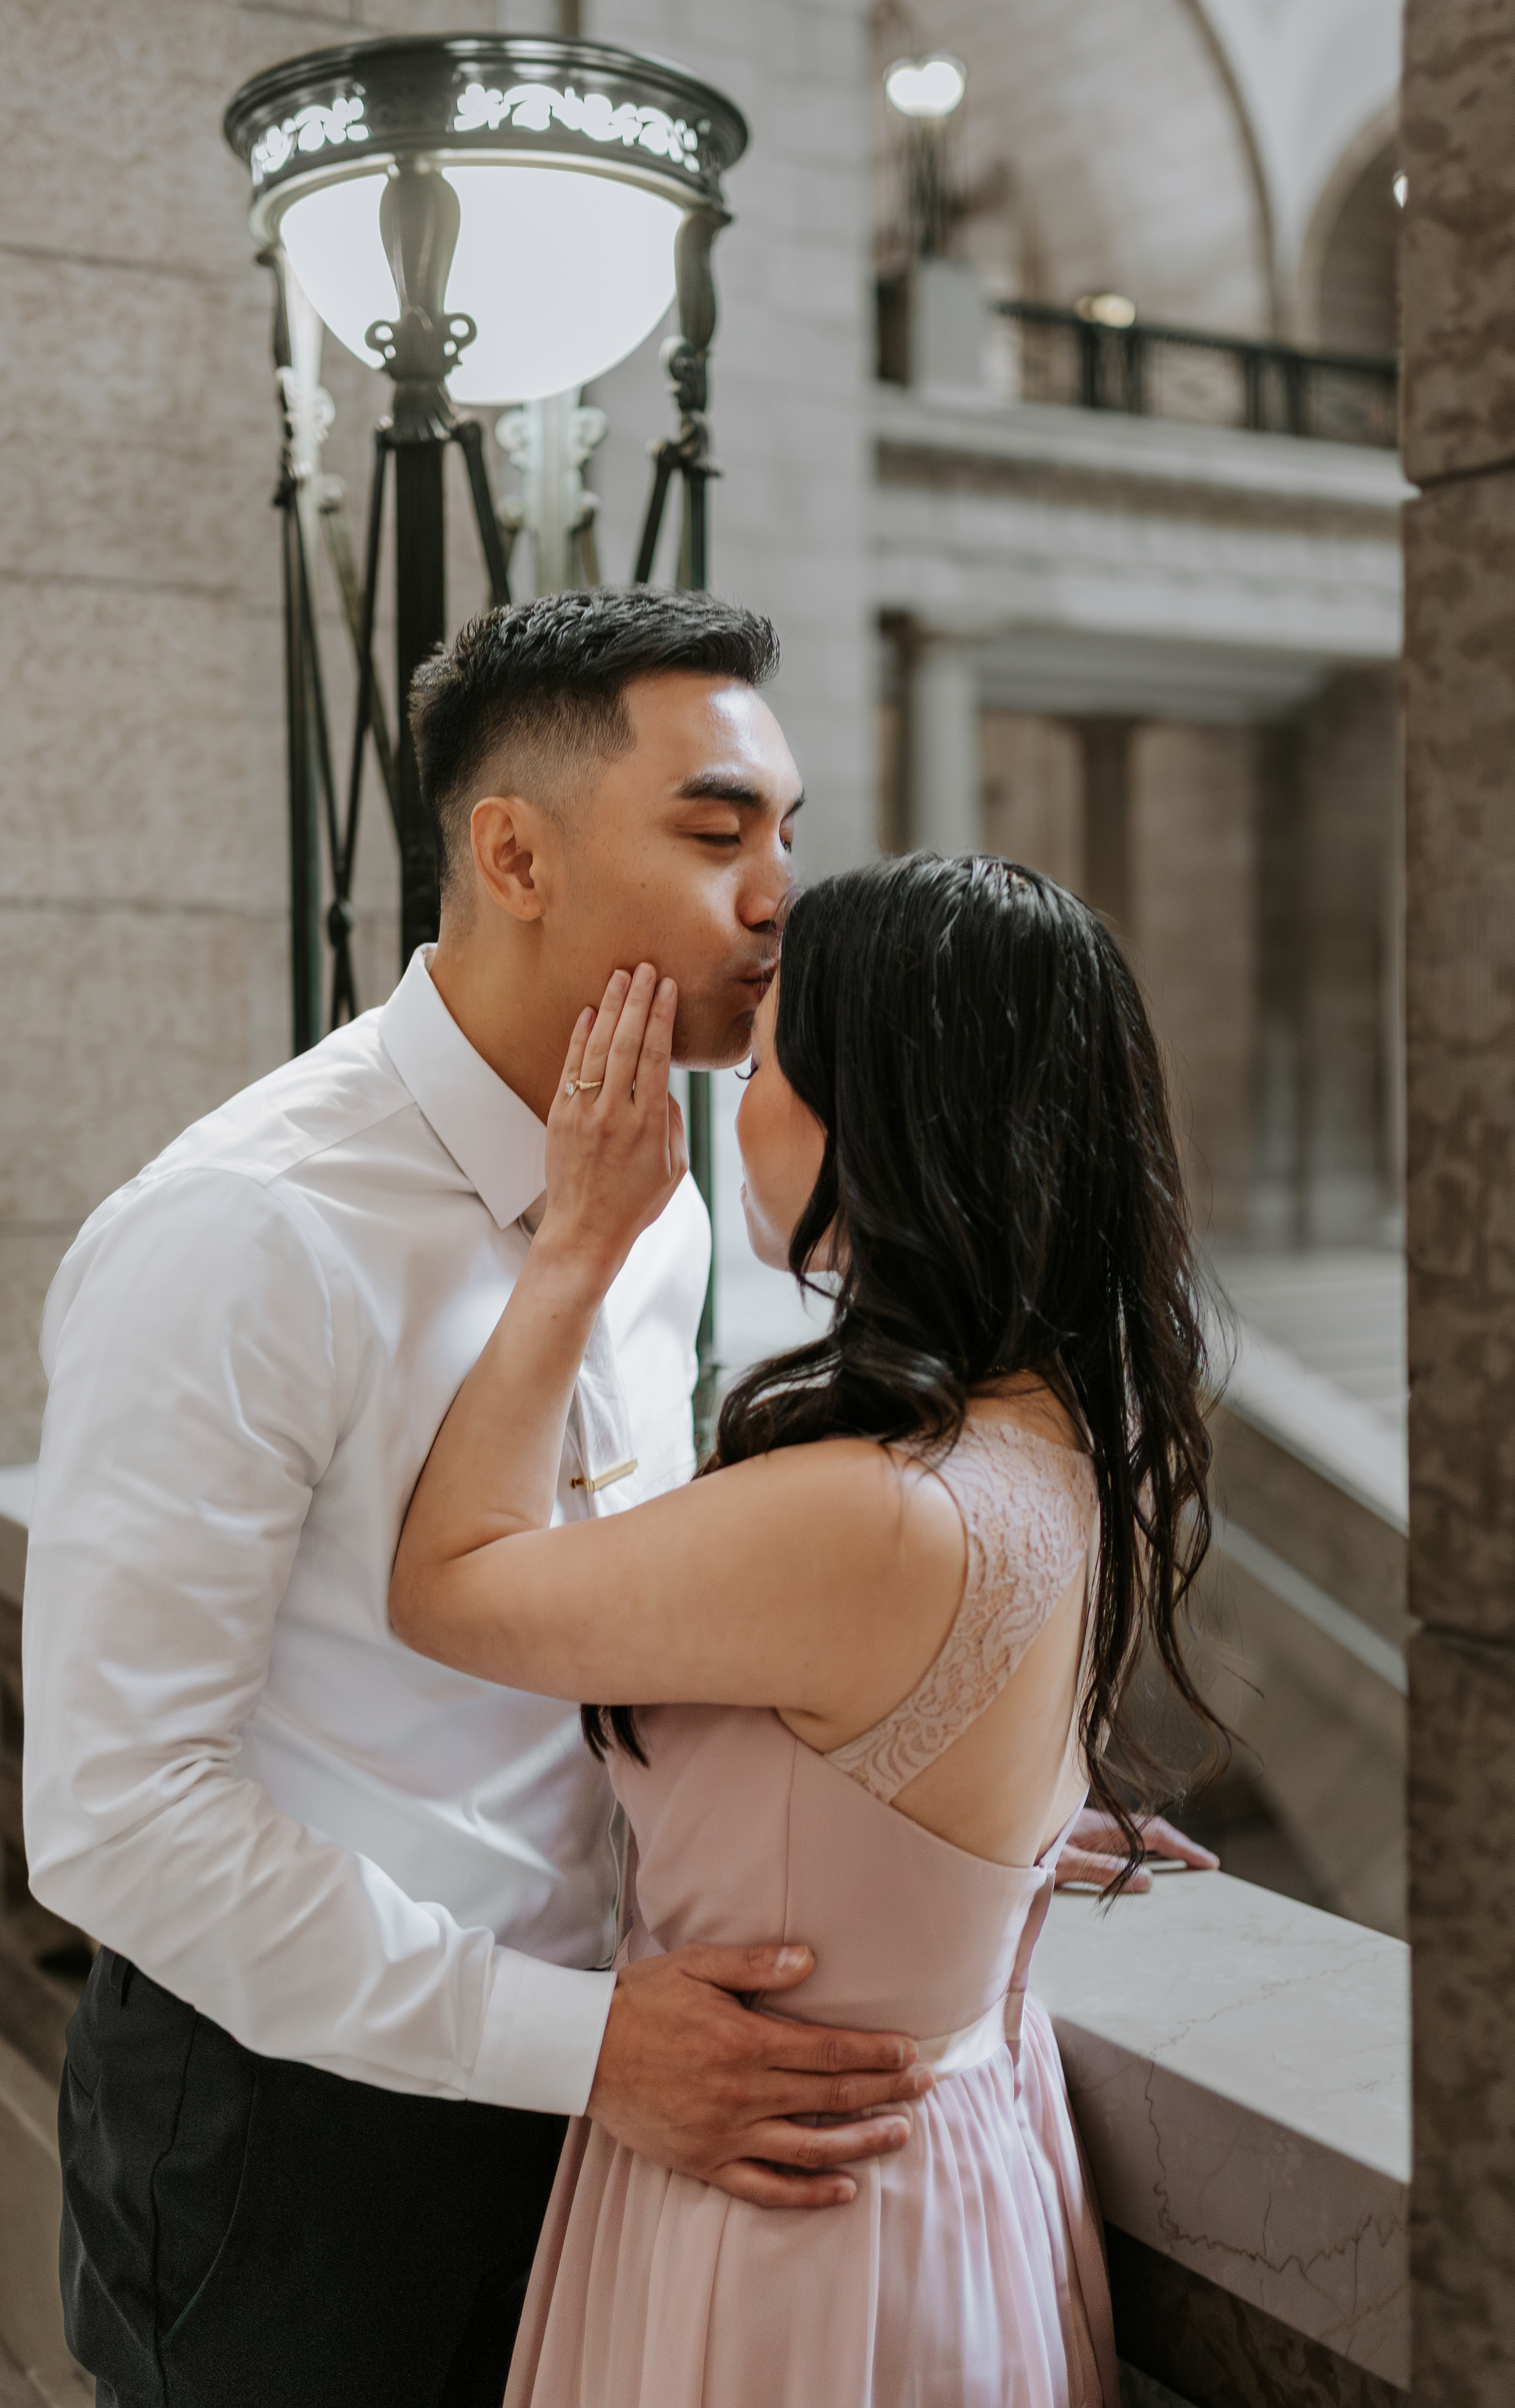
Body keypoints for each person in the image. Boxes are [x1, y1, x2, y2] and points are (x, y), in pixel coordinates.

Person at [21, 590, 938, 2408]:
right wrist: (579, 2047)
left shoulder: (656, 1203)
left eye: (785, 833)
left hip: (607, 2078)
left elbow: (637, 1608)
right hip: (298, 2129)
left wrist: (917, 1792)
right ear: (511, 851)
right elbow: (117, 1817)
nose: (778, 895)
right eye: (713, 832)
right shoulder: (248, 1230)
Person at [390, 851, 1230, 2407]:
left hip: (798, 2223)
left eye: (769, 1066)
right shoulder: (1058, 1439)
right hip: (944, 2170)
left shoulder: (871, 1512)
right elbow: (901, 1758)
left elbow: (447, 1582)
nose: (735, 1104)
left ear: (888, 1122)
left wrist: (574, 1243)